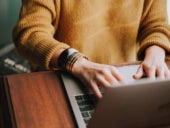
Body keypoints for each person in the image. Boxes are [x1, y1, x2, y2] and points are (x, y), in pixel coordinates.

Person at [13, 0, 170, 98]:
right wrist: (76, 62)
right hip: (66, 76)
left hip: (126, 79)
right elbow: (30, 33)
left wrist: (155, 53)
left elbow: (156, 24)